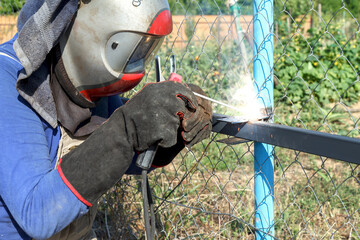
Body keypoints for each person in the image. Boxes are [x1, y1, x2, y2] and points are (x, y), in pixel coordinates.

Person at [0, 0, 212, 239]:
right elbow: (38, 214)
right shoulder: (8, 82)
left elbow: (118, 156)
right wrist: (127, 127)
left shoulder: (84, 77)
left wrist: (167, 124)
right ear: (92, 33)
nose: (138, 61)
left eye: (145, 48)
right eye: (132, 48)